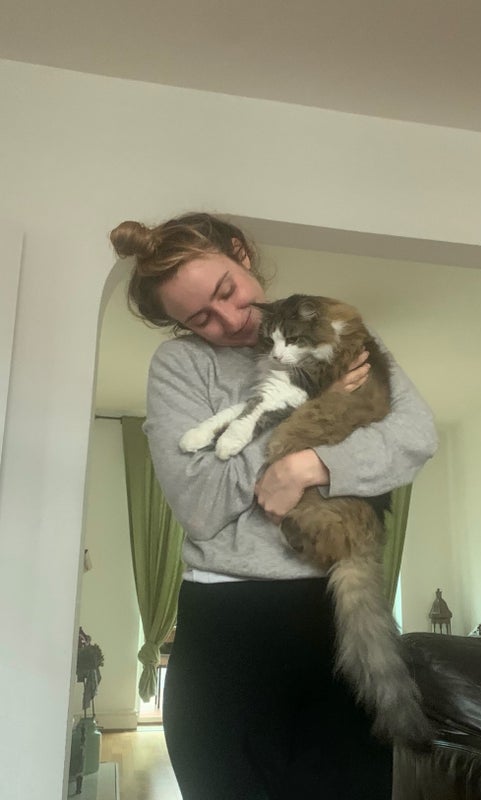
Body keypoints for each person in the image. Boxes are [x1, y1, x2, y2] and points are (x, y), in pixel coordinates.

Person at [110, 212, 438, 800]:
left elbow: (414, 437)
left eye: (228, 291)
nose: (230, 321)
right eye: (201, 318)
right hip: (228, 623)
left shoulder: (340, 333)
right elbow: (200, 505)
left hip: (337, 605)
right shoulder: (182, 366)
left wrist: (310, 466)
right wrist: (300, 419)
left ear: (242, 254)